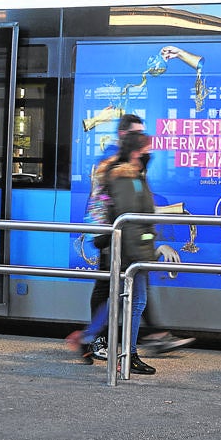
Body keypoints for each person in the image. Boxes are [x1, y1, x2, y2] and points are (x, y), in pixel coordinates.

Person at [88, 113, 193, 361]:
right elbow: (122, 207)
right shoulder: (118, 162)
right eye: (138, 133)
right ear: (126, 135)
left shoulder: (134, 163)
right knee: (111, 290)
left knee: (123, 292)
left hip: (124, 238)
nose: (144, 138)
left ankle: (142, 339)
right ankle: (104, 341)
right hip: (113, 236)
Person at [67, 131, 158, 375]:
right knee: (136, 302)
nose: (152, 153)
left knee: (118, 300)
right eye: (148, 148)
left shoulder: (131, 174)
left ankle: (87, 337)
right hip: (127, 250)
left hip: (125, 248)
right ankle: (128, 356)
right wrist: (138, 252)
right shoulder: (128, 177)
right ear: (137, 151)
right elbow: (130, 216)